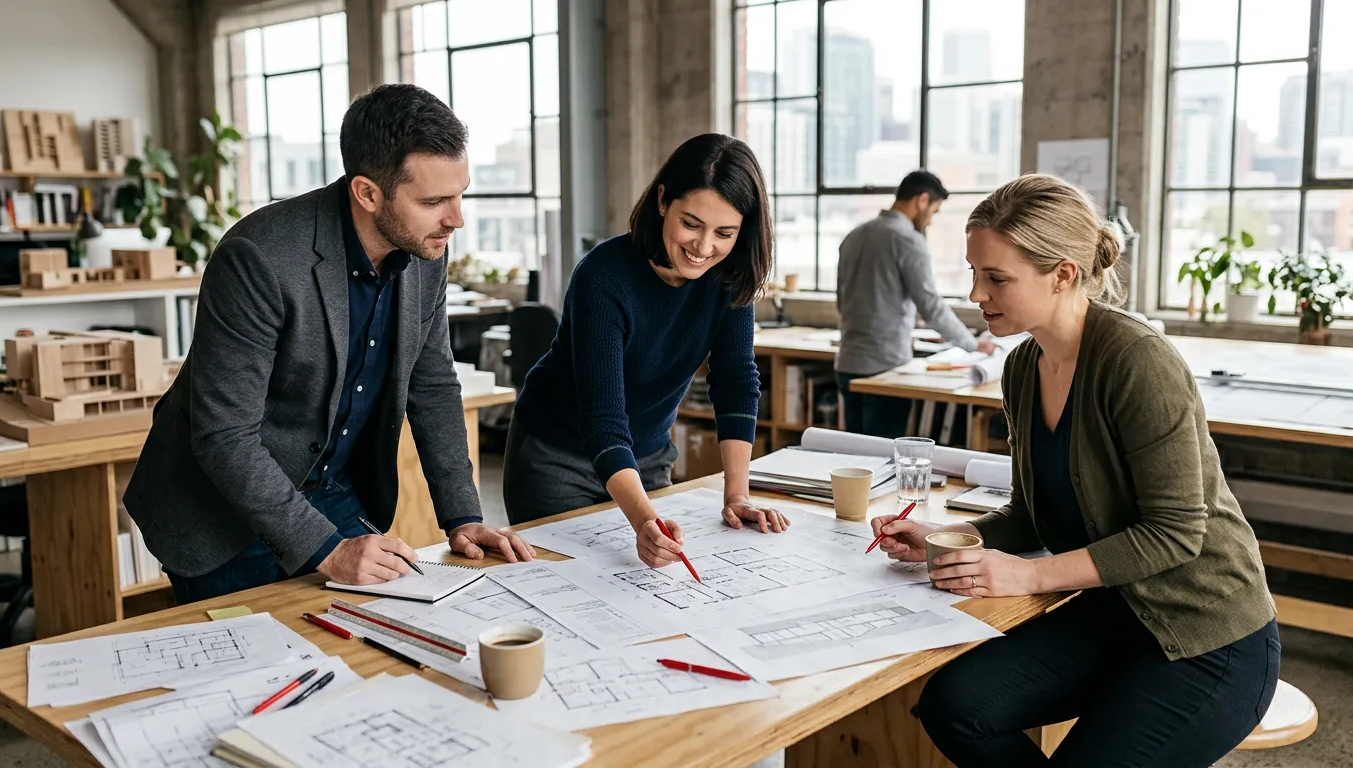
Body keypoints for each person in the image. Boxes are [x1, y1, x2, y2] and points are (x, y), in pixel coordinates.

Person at [870, 174, 1279, 767]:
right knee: (955, 705)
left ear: (1062, 274)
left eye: (997, 278)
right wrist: (948, 540)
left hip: (1207, 636)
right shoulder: (1022, 368)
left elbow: (1176, 533)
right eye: (975, 273)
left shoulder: (1138, 361)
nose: (976, 294)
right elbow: (1034, 514)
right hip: (1113, 614)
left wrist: (1030, 578)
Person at [125, 84, 534, 605]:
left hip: (331, 490)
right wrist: (327, 550)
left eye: (460, 194)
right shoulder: (259, 257)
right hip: (221, 509)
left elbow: (431, 385)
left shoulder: (426, 248)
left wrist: (464, 516)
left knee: (364, 646)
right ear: (367, 193)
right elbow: (225, 435)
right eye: (434, 201)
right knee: (256, 670)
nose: (456, 219)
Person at [504, 133, 790, 568]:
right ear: (662, 201)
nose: (704, 247)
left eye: (724, 232)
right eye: (691, 223)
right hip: (557, 461)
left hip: (648, 456)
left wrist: (737, 496)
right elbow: (602, 418)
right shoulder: (604, 276)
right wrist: (643, 522)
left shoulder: (729, 277)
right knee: (572, 595)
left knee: (650, 591)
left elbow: (735, 381)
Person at [835, 170, 996, 437]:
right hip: (885, 368)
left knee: (857, 458)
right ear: (922, 200)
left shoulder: (854, 235)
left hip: (847, 363)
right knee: (884, 460)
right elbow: (930, 305)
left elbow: (843, 300)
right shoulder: (907, 239)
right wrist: (972, 343)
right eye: (934, 211)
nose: (931, 221)